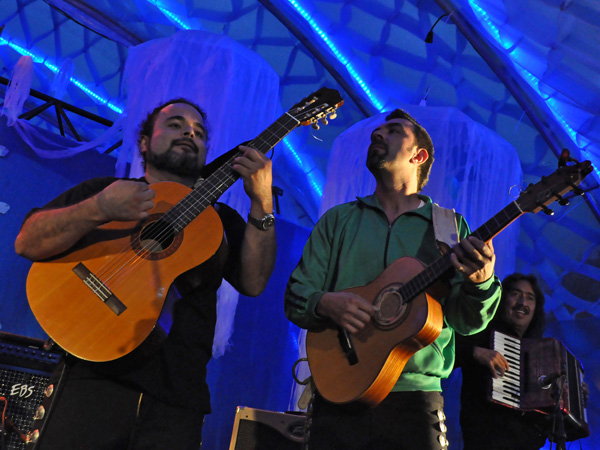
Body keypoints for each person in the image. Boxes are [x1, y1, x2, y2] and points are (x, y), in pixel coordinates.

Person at [14, 98, 277, 449]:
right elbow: (27, 241)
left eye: (199, 132)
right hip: (91, 377)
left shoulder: (221, 222)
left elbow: (255, 281)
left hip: (177, 401)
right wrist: (99, 207)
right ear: (143, 142)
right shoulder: (105, 191)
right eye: (175, 124)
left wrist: (262, 203)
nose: (189, 132)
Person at [284, 109, 502, 450]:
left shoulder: (449, 228)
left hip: (415, 401)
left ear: (419, 156)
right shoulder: (338, 220)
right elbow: (297, 295)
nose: (377, 135)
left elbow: (467, 321)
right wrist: (327, 303)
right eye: (376, 132)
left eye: (393, 131)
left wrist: (482, 283)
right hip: (340, 389)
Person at [454, 273, 549, 450]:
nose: (522, 303)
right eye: (515, 294)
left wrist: (570, 396)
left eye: (530, 298)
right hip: (485, 440)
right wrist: (476, 352)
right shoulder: (482, 331)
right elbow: (447, 350)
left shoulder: (540, 355)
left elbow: (543, 414)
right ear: (502, 299)